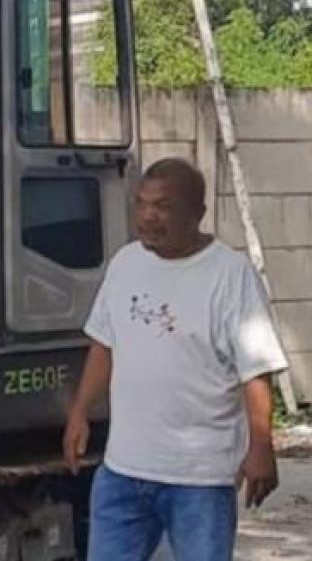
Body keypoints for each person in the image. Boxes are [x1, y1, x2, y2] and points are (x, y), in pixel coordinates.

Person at [63, 158, 289, 561]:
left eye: (164, 207)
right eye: (142, 204)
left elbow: (255, 370)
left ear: (196, 214)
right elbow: (104, 346)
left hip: (199, 480)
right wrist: (80, 412)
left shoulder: (229, 275)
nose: (148, 217)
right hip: (123, 473)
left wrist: (261, 447)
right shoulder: (125, 264)